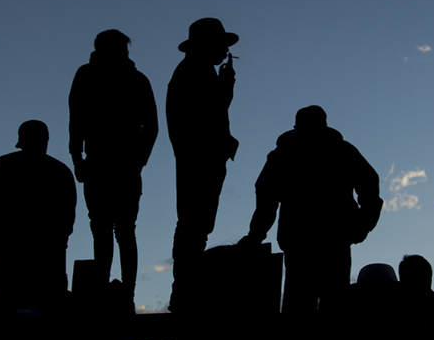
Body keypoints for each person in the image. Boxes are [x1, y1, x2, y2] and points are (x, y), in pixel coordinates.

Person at [239, 105, 383, 314]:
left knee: (303, 309)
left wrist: (255, 235)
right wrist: (363, 225)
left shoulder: (285, 155)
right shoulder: (340, 151)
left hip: (311, 241)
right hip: (324, 241)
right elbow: (266, 196)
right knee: (328, 308)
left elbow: (266, 198)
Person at [69, 29, 157, 305]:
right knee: (114, 229)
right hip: (107, 164)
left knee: (112, 229)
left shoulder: (96, 75)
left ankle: (119, 293)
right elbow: (77, 120)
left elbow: (76, 121)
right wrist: (78, 159)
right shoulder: (132, 78)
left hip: (111, 164)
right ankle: (112, 291)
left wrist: (138, 162)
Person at [166, 18, 240, 310]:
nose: (225, 51)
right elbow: (210, 113)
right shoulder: (195, 72)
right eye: (221, 45)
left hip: (200, 159)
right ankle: (184, 292)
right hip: (200, 161)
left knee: (195, 225)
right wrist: (226, 86)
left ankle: (185, 290)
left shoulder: (195, 71)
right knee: (194, 226)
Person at [0, 120, 76, 310]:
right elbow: (66, 225)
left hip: (11, 271)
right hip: (42, 273)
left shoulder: (2, 166)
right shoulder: (61, 173)